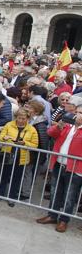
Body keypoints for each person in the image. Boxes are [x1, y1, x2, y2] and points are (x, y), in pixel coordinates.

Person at [36, 98, 82, 233]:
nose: (77, 115)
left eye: (80, 113)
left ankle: (64, 220)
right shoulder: (68, 125)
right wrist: (59, 125)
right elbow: (50, 133)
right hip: (59, 163)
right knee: (55, 191)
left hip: (74, 168)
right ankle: (52, 215)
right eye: (77, 112)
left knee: (70, 195)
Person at [0, 109, 39, 207]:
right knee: (4, 175)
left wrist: (24, 143)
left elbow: (35, 145)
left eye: (23, 118)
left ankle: (11, 198)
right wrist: (3, 138)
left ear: (28, 118)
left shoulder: (32, 129)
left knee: (16, 178)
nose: (21, 120)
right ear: (16, 117)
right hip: (8, 154)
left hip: (21, 157)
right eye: (19, 118)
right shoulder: (9, 125)